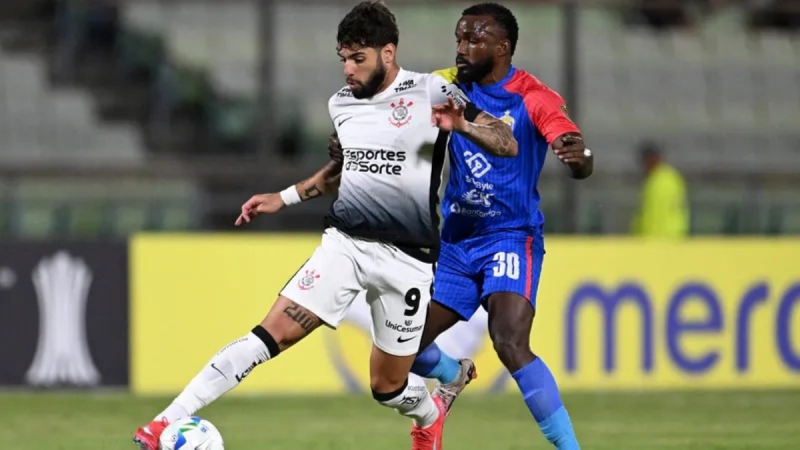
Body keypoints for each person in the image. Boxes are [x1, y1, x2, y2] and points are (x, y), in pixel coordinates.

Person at [131, 2, 517, 450]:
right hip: (345, 247)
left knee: (387, 386)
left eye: (359, 58)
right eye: (343, 59)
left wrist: (462, 126)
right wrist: (286, 197)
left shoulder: (431, 91)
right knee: (266, 336)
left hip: (408, 261)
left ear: (387, 53)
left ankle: (429, 419)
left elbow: (505, 143)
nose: (348, 70)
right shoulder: (342, 104)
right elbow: (343, 169)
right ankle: (163, 423)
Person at [405, 3, 593, 449]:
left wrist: (577, 155)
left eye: (473, 40)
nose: (462, 48)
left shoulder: (533, 96)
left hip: (510, 235)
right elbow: (396, 115)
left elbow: (573, 147)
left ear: (502, 47)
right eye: (458, 39)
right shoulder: (444, 85)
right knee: (401, 346)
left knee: (509, 340)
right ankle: (453, 373)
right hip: (455, 242)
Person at [630, 141, 689, 238]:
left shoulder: (658, 181)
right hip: (673, 237)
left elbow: (655, 215)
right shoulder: (671, 177)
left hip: (660, 238)